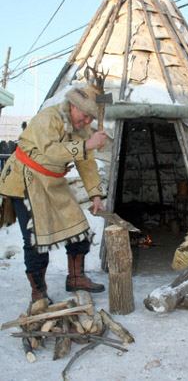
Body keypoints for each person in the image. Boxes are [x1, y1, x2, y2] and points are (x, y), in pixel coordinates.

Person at [0, 83, 107, 302]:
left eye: (91, 118)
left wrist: (96, 195)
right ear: (73, 106)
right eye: (86, 115)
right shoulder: (46, 119)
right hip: (26, 180)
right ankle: (38, 293)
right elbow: (50, 152)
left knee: (80, 228)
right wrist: (86, 145)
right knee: (35, 239)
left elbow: (86, 163)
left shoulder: (81, 130)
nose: (88, 121)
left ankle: (76, 277)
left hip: (53, 182)